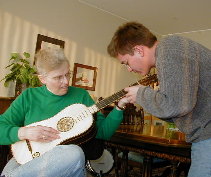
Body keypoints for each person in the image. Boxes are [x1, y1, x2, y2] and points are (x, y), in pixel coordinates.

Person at [0, 47, 128, 177]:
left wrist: (119, 107)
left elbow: (103, 133)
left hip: (65, 163)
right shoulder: (28, 97)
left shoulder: (81, 96)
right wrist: (23, 132)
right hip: (28, 159)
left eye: (68, 74)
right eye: (58, 77)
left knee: (74, 153)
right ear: (42, 79)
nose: (66, 82)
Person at [107, 22, 211, 177]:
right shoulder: (169, 53)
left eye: (126, 62)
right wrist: (148, 98)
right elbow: (176, 113)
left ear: (138, 50)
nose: (128, 69)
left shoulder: (169, 48)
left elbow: (176, 105)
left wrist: (142, 94)